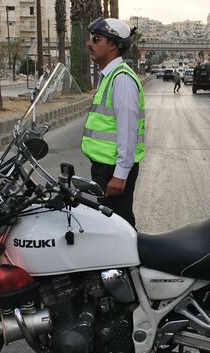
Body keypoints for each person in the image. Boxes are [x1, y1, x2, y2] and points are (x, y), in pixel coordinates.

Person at [82, 17, 145, 228]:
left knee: (119, 227)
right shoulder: (109, 76)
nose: (89, 44)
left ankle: (130, 261)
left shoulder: (122, 79)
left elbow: (128, 130)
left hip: (112, 171)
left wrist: (120, 175)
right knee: (112, 227)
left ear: (113, 45)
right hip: (104, 167)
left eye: (96, 39)